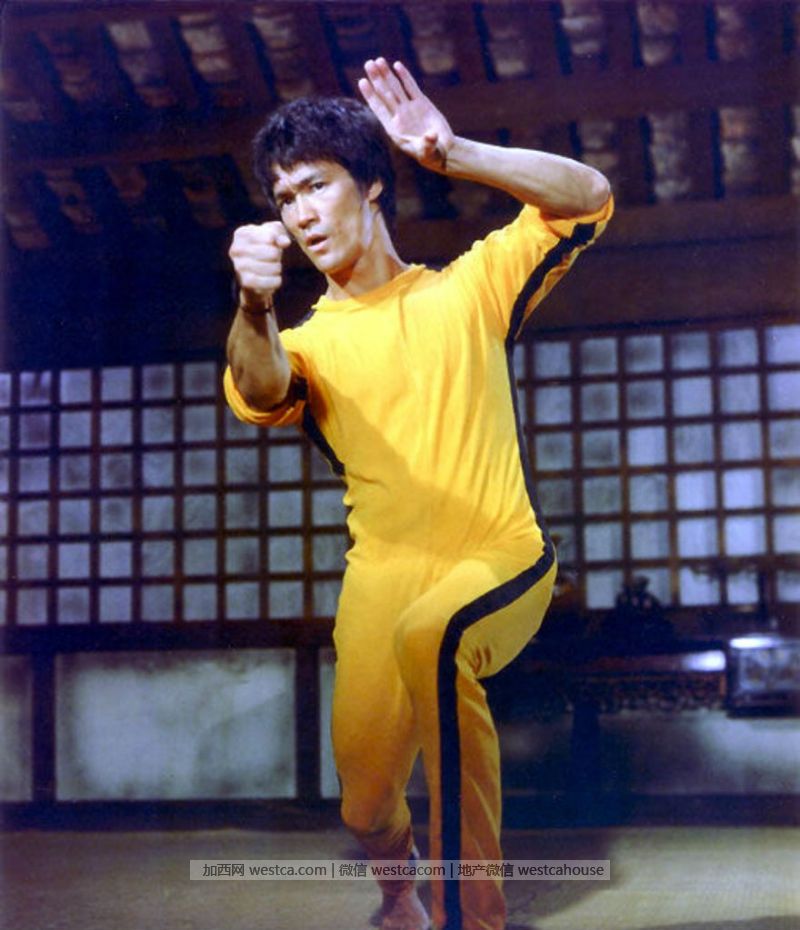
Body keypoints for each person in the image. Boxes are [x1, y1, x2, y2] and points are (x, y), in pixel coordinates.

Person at [224, 57, 612, 930]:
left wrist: (455, 151)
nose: (300, 213)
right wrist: (251, 304)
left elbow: (587, 197)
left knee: (434, 635)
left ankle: (473, 916)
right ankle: (398, 894)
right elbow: (260, 387)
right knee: (364, 803)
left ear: (371, 184)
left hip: (499, 554)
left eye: (316, 186)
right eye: (284, 198)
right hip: (383, 577)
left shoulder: (467, 289)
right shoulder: (304, 343)